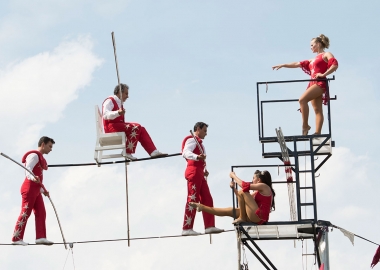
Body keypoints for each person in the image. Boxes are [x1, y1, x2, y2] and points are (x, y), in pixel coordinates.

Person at [272, 34, 339, 135]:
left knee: (302, 100)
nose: (310, 47)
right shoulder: (312, 60)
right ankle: (317, 133)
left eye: (312, 45)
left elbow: (334, 65)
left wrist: (323, 74)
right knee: (317, 110)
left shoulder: (326, 54)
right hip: (312, 84)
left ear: (318, 44)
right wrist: (283, 65)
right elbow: (297, 64)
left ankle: (305, 126)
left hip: (320, 83)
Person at [102, 83, 167, 160]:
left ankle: (153, 151)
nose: (127, 96)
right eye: (126, 94)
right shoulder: (110, 100)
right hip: (111, 127)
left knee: (141, 129)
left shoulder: (119, 104)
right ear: (120, 92)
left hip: (117, 126)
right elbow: (105, 115)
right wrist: (118, 113)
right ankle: (127, 152)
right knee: (136, 127)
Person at [181, 122, 224, 236]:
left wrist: (204, 171)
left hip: (199, 173)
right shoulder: (192, 140)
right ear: (198, 129)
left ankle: (209, 226)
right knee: (193, 199)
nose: (206, 134)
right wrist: (197, 157)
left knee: (207, 198)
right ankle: (187, 227)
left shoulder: (200, 144)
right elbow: (185, 152)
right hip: (194, 172)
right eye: (204, 131)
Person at [12, 136, 55, 246]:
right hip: (29, 188)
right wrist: (33, 178)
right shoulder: (34, 155)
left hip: (35, 189)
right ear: (43, 144)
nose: (51, 149)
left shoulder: (40, 158)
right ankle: (16, 238)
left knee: (41, 212)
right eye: (49, 146)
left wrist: (42, 190)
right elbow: (28, 170)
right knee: (26, 211)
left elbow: (37, 177)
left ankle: (40, 237)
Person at [189, 170, 275, 225]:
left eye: (253, 178)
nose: (252, 180)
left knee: (243, 190)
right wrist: (233, 188)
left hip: (258, 217)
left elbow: (244, 186)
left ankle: (242, 217)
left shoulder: (264, 186)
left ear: (259, 180)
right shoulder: (257, 192)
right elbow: (240, 197)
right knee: (229, 211)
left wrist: (233, 176)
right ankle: (201, 207)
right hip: (253, 216)